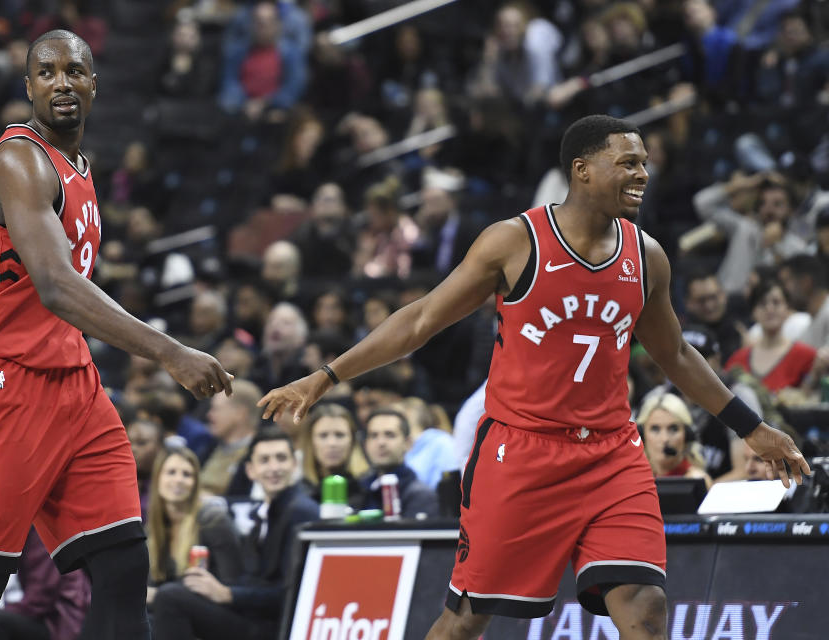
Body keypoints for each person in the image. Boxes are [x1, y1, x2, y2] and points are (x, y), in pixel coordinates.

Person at [260, 115, 809, 639]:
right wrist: (327, 376)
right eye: (628, 163)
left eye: (644, 163)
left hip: (612, 454)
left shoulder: (647, 258)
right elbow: (421, 319)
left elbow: (678, 356)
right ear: (582, 169)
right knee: (465, 622)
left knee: (646, 607)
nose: (642, 174)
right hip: (521, 454)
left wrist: (751, 426)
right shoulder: (515, 242)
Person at [0, 29, 232, 640]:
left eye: (74, 70)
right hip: (4, 384)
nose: (61, 82)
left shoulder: (80, 167)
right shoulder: (19, 160)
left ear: (94, 84)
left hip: (75, 386)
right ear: (29, 88)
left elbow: (23, 300)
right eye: (46, 73)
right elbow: (54, 285)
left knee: (124, 564)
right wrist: (170, 352)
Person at [151, 427, 319, 640]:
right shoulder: (263, 515)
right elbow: (249, 579)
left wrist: (228, 594)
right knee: (154, 614)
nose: (274, 467)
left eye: (281, 458)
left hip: (274, 627)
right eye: (265, 460)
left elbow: (294, 591)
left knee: (170, 598)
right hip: (249, 615)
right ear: (250, 470)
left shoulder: (299, 511)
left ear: (294, 464)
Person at [145, 447, 242, 607]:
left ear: (195, 483)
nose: (179, 480)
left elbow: (231, 583)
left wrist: (158, 596)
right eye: (171, 472)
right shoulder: (153, 528)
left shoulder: (212, 520)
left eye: (187, 474)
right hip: (170, 614)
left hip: (214, 612)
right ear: (157, 479)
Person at [725, 279, 817, 393]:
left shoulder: (806, 355)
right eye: (762, 304)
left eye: (776, 302)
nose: (769, 309)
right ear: (754, 312)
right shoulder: (738, 359)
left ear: (787, 309)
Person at [358, 409, 439, 518]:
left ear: (408, 443)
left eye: (390, 435)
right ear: (365, 444)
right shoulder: (359, 489)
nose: (381, 442)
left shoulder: (421, 495)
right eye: (373, 435)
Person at [296, 403, 368, 508]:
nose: (332, 443)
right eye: (323, 435)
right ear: (310, 441)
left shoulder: (368, 488)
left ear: (353, 441)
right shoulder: (299, 493)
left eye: (340, 435)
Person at [636, 392, 712, 488]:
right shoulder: (635, 480)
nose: (665, 439)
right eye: (655, 429)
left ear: (687, 435)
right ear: (642, 434)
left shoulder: (698, 481)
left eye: (673, 429)